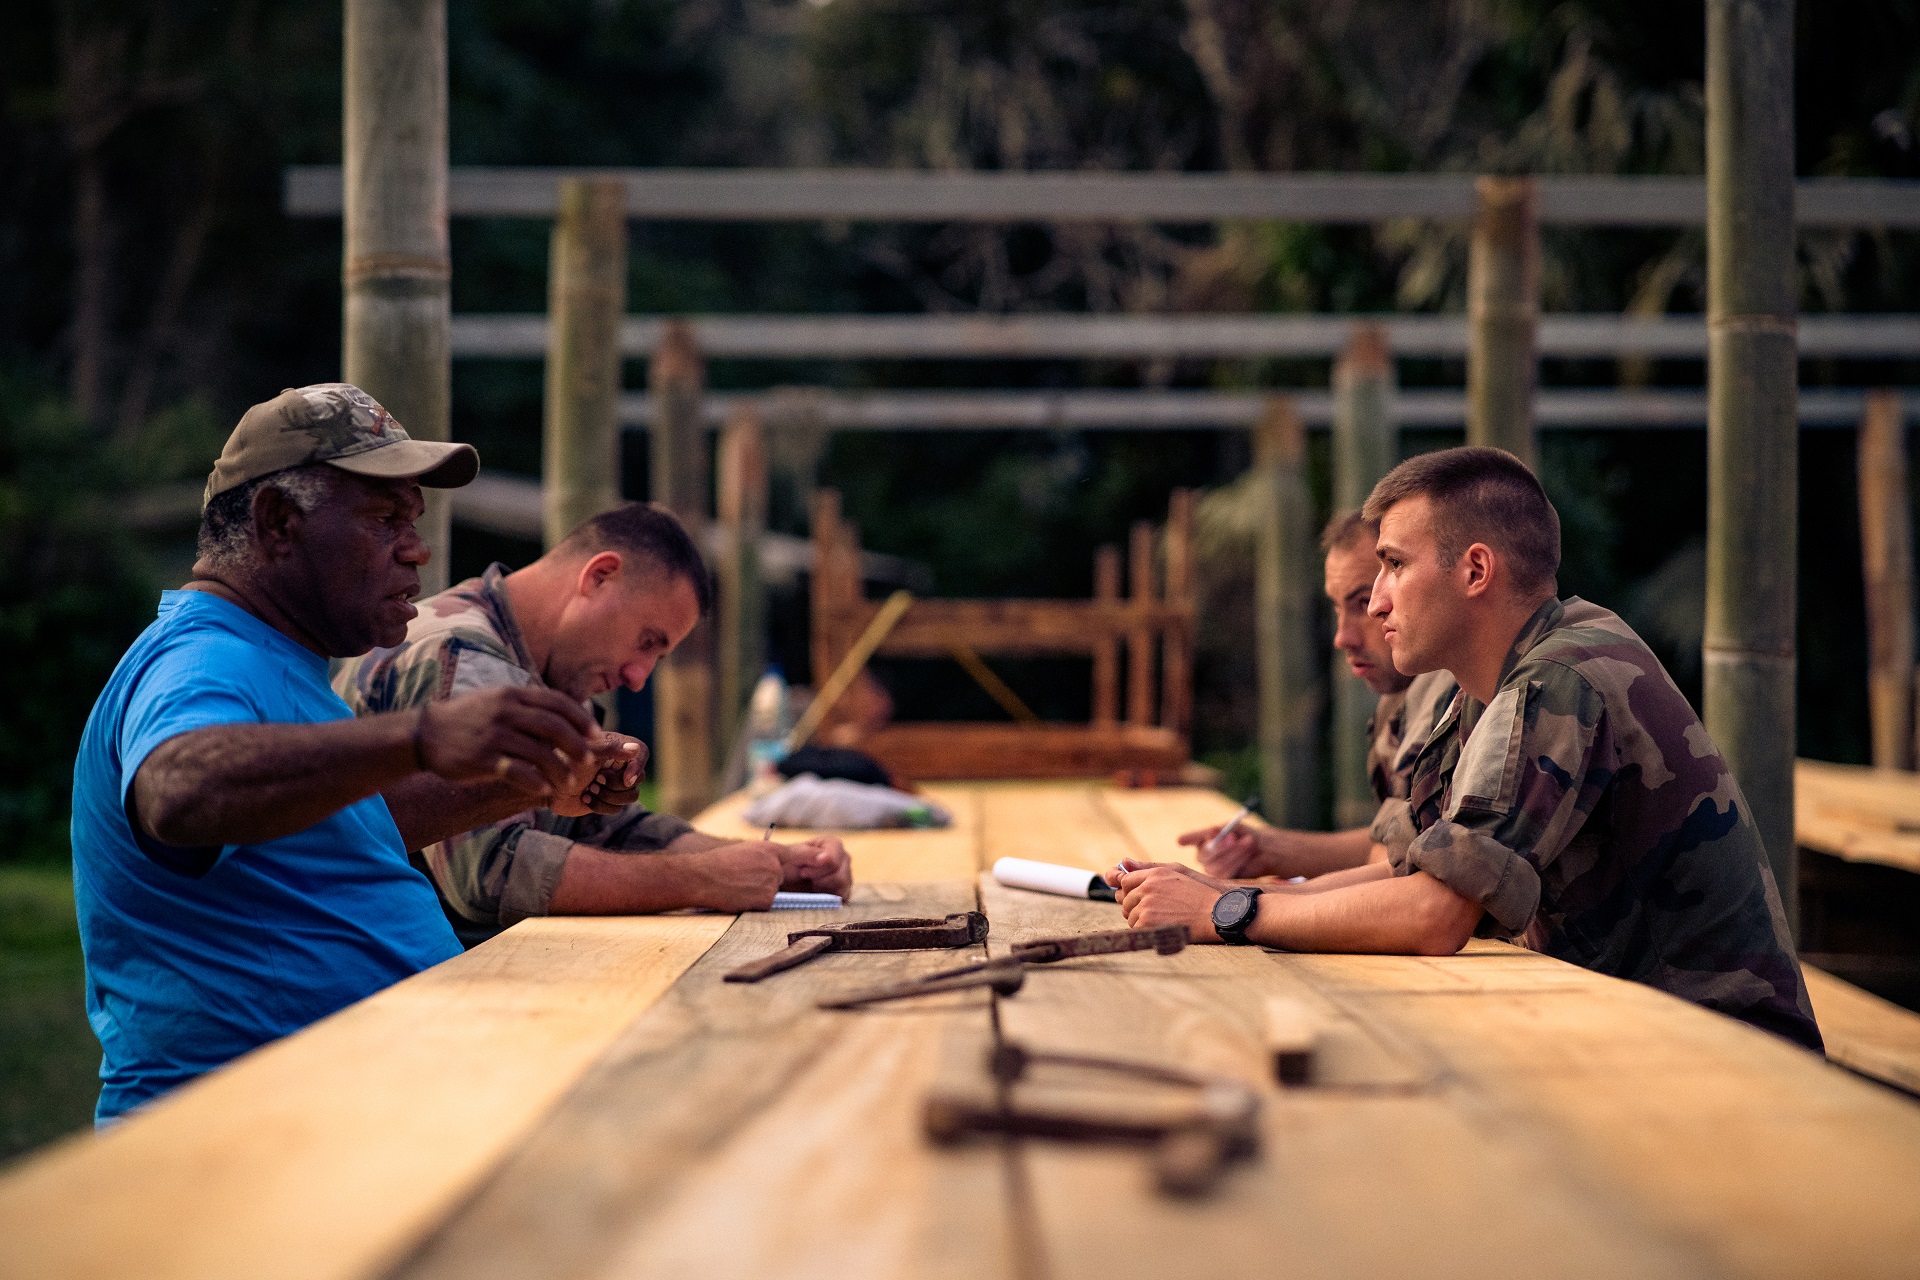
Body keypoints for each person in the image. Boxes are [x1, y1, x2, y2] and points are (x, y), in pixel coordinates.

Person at [1113, 446, 1822, 1051]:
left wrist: (1226, 915)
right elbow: (1409, 871)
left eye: (1392, 566)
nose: (1378, 602)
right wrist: (1229, 894)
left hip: (1728, 1058)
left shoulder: (1561, 677)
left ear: (1475, 571)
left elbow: (1434, 914)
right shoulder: (1482, 691)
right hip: (1635, 1035)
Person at [71, 384, 633, 1121]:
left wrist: (529, 784)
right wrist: (419, 735)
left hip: (347, 1105)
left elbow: (341, 830)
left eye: (414, 520)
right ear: (279, 524)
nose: (417, 548)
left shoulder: (277, 661)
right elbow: (177, 793)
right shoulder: (204, 659)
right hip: (246, 1136)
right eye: (384, 518)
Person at [333, 502, 853, 944]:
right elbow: (490, 876)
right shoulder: (466, 656)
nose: (637, 676)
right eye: (646, 642)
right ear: (599, 576)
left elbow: (608, 831)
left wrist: (773, 865)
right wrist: (699, 880)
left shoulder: (548, 669)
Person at [1182, 511, 1455, 882]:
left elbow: (1414, 878)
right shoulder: (1400, 697)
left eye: (1362, 603)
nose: (1343, 637)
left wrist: (1236, 905)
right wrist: (1268, 851)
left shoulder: (1457, 692)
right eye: (1338, 607)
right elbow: (1393, 845)